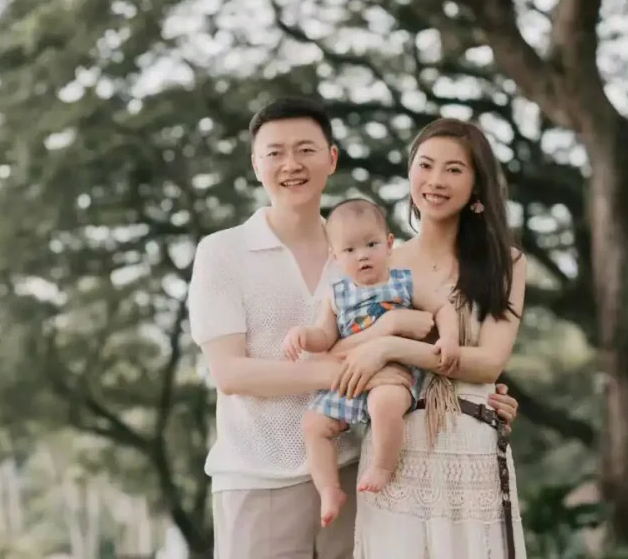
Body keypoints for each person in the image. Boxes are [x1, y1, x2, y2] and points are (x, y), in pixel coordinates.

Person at [187, 97, 520, 559]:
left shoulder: (362, 253)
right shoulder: (224, 252)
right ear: (255, 164)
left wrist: (478, 398)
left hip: (355, 469)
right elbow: (230, 374)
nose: (291, 164)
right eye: (275, 152)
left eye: (305, 149)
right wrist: (383, 340)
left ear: (331, 158)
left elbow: (445, 344)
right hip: (259, 477)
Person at [328, 117, 529, 558]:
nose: (436, 180)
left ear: (476, 184)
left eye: (454, 169)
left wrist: (390, 347)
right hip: (396, 448)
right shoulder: (379, 263)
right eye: (425, 165)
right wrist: (386, 328)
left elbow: (488, 362)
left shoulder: (506, 263)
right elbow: (337, 352)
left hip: (472, 444)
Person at [281, 197, 460, 529]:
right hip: (350, 378)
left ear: (389, 244)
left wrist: (448, 337)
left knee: (385, 405)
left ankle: (383, 465)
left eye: (371, 244)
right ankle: (329, 490)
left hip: (392, 372)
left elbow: (443, 308)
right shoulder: (336, 294)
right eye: (349, 250)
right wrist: (304, 335)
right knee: (313, 425)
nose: (362, 255)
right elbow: (326, 337)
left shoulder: (403, 282)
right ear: (335, 257)